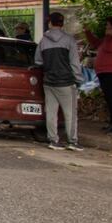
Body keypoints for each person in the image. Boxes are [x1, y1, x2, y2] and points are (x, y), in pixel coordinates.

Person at [35, 12, 84, 151]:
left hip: (49, 82)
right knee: (70, 114)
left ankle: (53, 140)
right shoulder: (69, 40)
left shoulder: (43, 41)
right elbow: (74, 63)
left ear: (50, 23)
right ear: (62, 24)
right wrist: (78, 79)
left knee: (51, 112)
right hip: (66, 82)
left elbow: (38, 61)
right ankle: (72, 141)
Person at [84, 17, 112, 134]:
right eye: (107, 26)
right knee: (109, 98)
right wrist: (88, 32)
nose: (106, 28)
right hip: (104, 72)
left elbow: (110, 48)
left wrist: (109, 36)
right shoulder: (107, 39)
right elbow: (95, 43)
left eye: (109, 26)